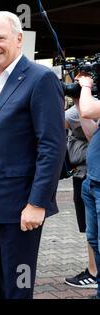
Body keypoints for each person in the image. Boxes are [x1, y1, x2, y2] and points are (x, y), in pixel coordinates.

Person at [0, 11, 66, 299]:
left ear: (18, 39)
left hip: (20, 210)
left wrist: (37, 203)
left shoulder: (40, 79)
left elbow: (51, 146)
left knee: (18, 286)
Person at [63, 98, 98, 289]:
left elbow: (58, 121)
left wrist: (78, 100)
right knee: (90, 230)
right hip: (83, 172)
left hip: (89, 173)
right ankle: (94, 271)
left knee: (92, 230)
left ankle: (94, 272)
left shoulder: (85, 106)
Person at [78, 73, 100, 299]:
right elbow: (92, 132)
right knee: (94, 240)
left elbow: (87, 110)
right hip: (92, 181)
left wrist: (86, 86)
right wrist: (77, 98)